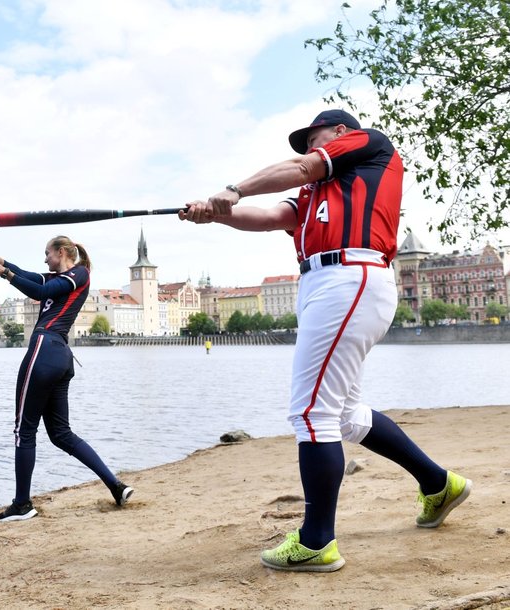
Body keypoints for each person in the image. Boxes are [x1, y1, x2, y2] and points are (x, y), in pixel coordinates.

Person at [179, 109, 471, 571]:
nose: (310, 147)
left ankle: (317, 541)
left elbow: (299, 167)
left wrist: (231, 189)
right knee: (346, 414)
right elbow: (274, 216)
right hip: (325, 284)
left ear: (340, 133)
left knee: (311, 411)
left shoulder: (369, 145)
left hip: (350, 275)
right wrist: (217, 214)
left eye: (315, 138)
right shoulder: (318, 190)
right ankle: (439, 484)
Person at [0, 235, 133, 521]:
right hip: (60, 357)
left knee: (24, 430)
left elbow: (40, 292)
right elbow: (31, 279)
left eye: (48, 254)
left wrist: (6, 274)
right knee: (61, 434)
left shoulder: (78, 274)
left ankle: (22, 504)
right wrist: (3, 265)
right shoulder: (57, 278)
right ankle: (116, 486)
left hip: (44, 350)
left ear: (62, 252)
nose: (45, 259)